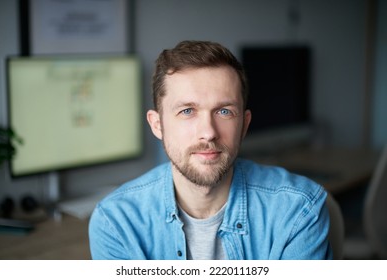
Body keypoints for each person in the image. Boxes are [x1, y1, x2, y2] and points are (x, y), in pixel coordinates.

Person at [89, 40, 333, 260]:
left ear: (244, 125)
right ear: (157, 125)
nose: (208, 132)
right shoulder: (116, 223)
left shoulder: (298, 211)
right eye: (187, 111)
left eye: (224, 111)